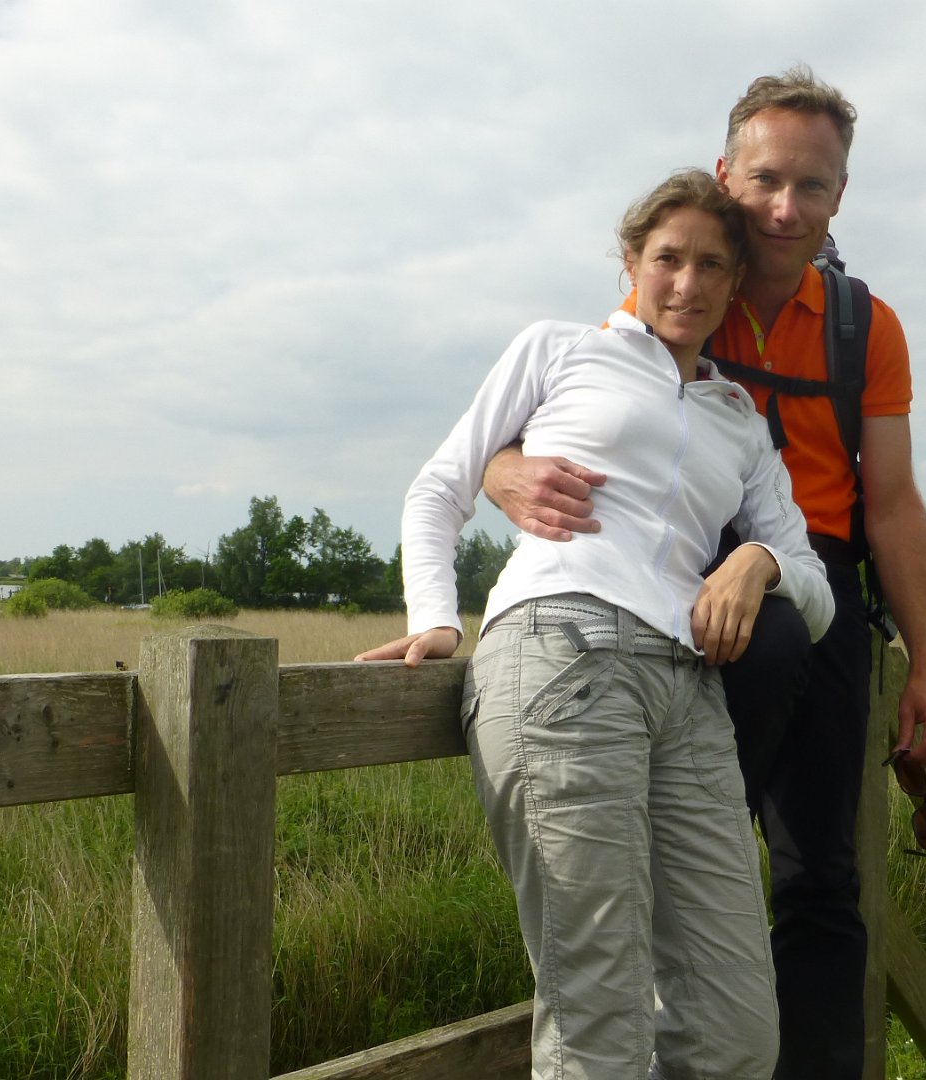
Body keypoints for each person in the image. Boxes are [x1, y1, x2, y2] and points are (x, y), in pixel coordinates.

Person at [482, 67, 926, 1080]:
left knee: (822, 874)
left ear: (840, 196)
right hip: (671, 589)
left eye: (812, 185)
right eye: (765, 179)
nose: (785, 208)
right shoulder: (685, 285)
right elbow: (574, 413)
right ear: (725, 174)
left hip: (816, 585)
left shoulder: (864, 327)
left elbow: (890, 503)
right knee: (681, 877)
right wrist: (502, 469)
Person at [357, 170, 835, 1080]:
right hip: (562, 656)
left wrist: (756, 561)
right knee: (599, 1020)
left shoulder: (739, 418)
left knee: (737, 1029)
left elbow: (816, 587)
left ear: (735, 281)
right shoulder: (561, 350)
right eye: (667, 259)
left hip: (690, 694)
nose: (687, 284)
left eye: (711, 265)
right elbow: (441, 486)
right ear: (631, 262)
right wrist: (437, 619)